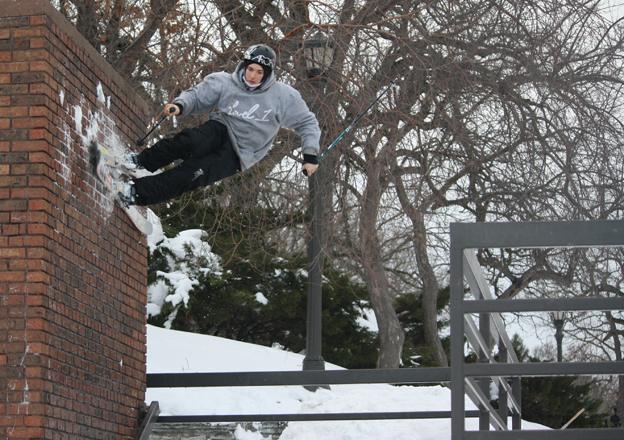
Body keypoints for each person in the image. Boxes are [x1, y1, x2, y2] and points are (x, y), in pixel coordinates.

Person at [118, 44, 321, 206]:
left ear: (267, 74)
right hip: (220, 128)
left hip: (239, 154)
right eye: (250, 69)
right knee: (188, 141)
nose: (252, 76)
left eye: (259, 72)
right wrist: (180, 105)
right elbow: (197, 96)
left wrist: (310, 155)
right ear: (244, 66)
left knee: (191, 174)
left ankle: (135, 192)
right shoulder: (225, 82)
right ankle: (139, 162)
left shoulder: (283, 97)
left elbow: (307, 122)